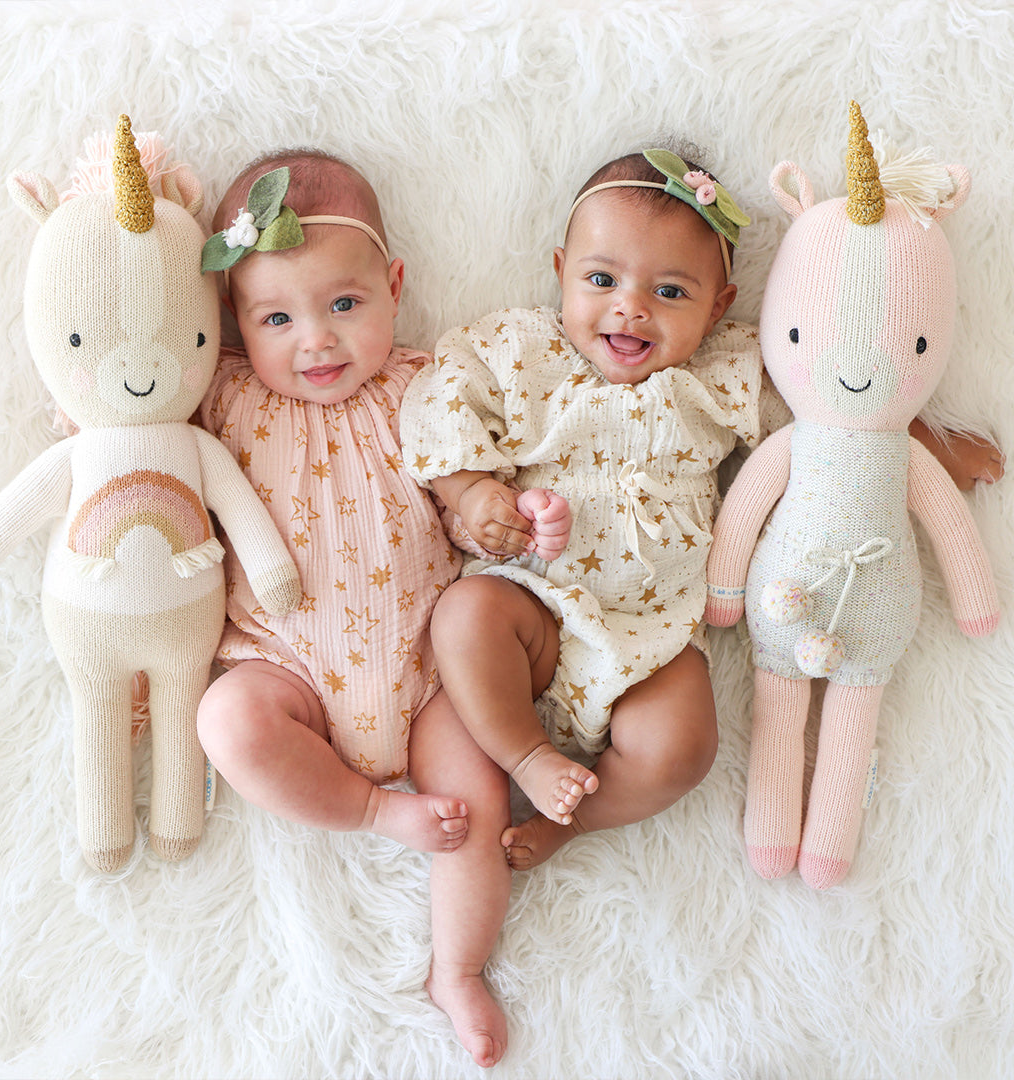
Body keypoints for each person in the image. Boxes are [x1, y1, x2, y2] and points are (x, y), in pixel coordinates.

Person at [400, 147, 1004, 878]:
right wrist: (471, 492)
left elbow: (837, 424)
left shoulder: (727, 370)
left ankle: (578, 818)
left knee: (683, 748)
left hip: (653, 639)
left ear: (719, 307)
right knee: (464, 617)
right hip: (535, 603)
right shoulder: (520, 350)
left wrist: (933, 444)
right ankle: (525, 757)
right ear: (560, 269)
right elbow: (442, 395)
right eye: (601, 279)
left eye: (671, 292)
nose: (631, 306)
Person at [195, 150, 510, 1067]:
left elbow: (464, 484)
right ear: (232, 323)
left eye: (344, 305)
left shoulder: (422, 387)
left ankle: (458, 967)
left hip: (426, 674)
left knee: (476, 797)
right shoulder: (222, 396)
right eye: (277, 318)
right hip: (281, 670)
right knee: (230, 723)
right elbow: (144, 436)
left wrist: (491, 511)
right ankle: (369, 810)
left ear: (394, 285)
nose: (317, 342)